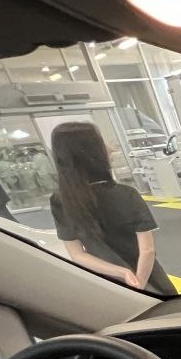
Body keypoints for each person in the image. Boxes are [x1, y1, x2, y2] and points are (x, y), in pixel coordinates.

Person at [48, 122, 174, 295]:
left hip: (106, 284)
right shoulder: (126, 194)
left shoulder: (60, 201)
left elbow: (78, 255)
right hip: (148, 277)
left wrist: (122, 273)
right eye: (102, 143)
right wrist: (139, 282)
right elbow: (147, 250)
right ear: (92, 153)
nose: (109, 149)